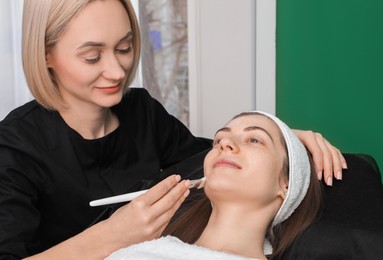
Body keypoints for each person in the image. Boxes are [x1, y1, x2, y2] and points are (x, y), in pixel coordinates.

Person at [0, 0, 345, 259]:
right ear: (45, 55)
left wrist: (287, 142)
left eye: (125, 48)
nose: (118, 72)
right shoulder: (14, 147)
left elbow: (214, 155)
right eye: (92, 57)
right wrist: (111, 236)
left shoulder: (142, 113)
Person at [107, 111, 322, 260]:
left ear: (286, 184)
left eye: (254, 140)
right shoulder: (138, 253)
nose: (225, 144)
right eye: (218, 140)